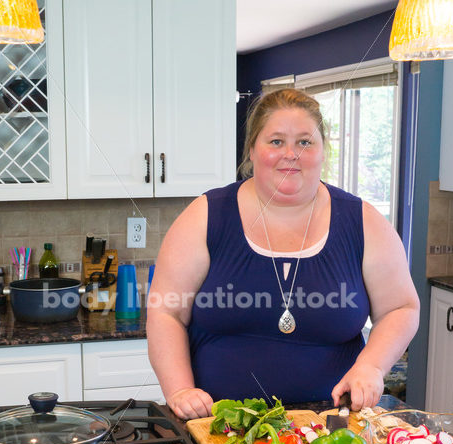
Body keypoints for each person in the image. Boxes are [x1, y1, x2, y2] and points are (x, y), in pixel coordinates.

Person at [147, 88, 420, 420]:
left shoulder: (363, 221)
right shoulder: (204, 216)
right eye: (276, 141)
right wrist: (179, 389)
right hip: (217, 423)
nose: (290, 153)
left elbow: (401, 308)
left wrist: (372, 367)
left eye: (305, 142)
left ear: (323, 151)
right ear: (252, 149)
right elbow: (166, 313)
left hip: (332, 427)